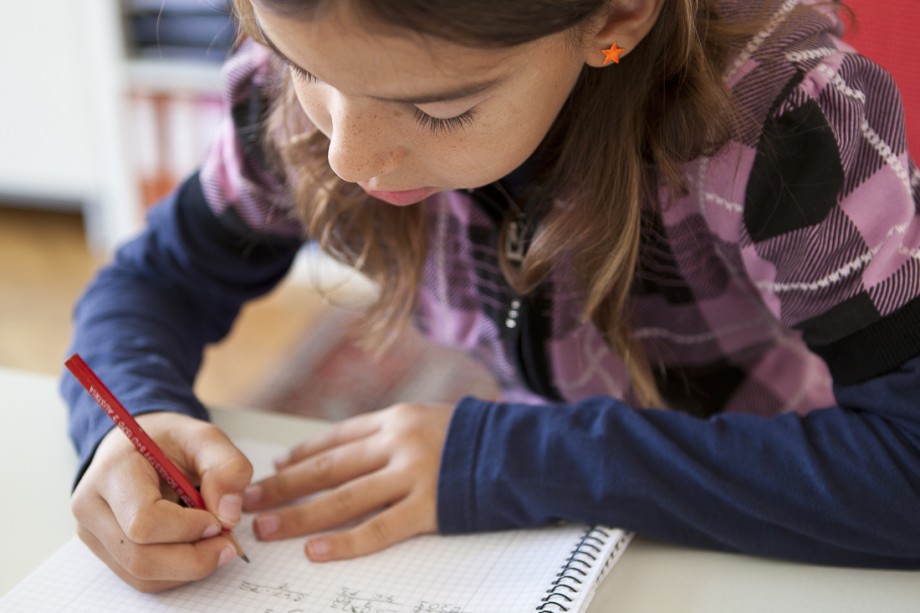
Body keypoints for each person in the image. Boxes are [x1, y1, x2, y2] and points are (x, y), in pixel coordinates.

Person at [62, 0, 920, 593]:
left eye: (439, 111)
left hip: (780, 505)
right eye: (301, 69)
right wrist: (125, 420)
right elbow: (151, 283)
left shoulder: (786, 121)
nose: (348, 160)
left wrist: (516, 457)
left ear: (616, 17)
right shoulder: (316, 73)